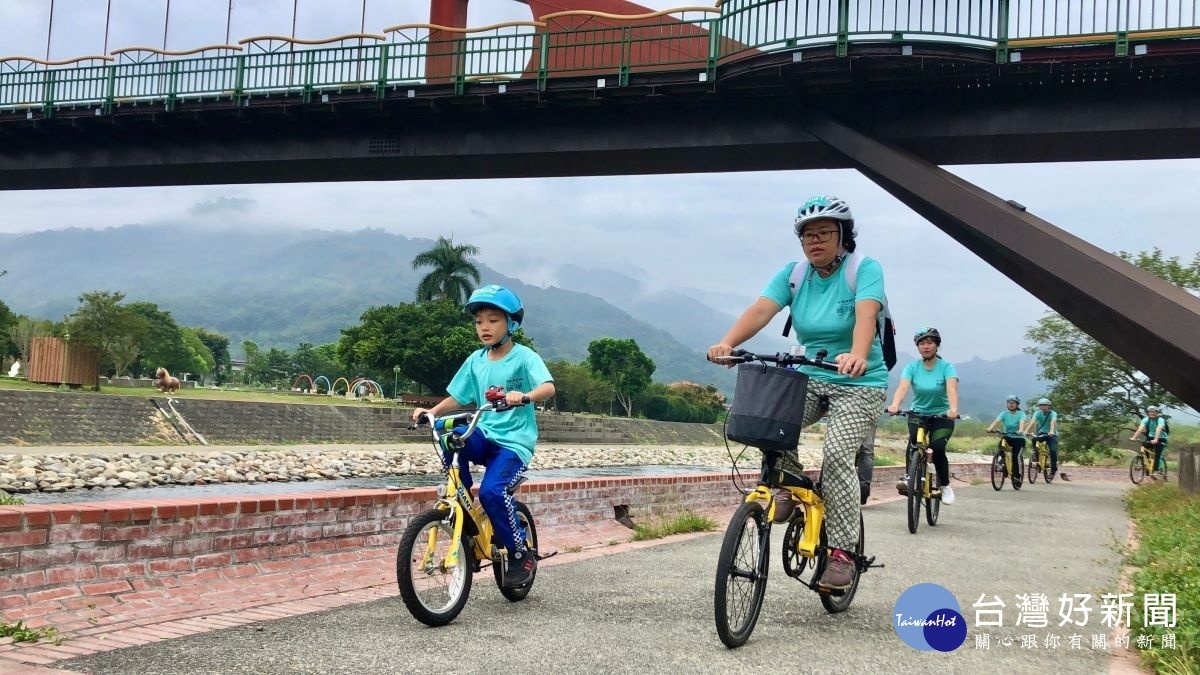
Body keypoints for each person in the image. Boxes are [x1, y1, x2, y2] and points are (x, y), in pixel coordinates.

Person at [708, 194, 889, 591]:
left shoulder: (864, 270)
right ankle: (787, 487)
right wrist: (727, 343)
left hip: (860, 382)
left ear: (843, 236)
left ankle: (841, 553)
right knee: (768, 423)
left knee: (838, 456)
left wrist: (857, 355)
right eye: (807, 235)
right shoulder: (794, 274)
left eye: (824, 232)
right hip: (811, 375)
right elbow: (761, 309)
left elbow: (866, 315)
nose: (815, 241)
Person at [411, 284, 556, 588]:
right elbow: (456, 396)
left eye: (493, 320)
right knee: (450, 434)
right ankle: (460, 499)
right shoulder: (475, 360)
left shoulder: (524, 357)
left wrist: (525, 396)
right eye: (479, 322)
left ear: (511, 323)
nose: (484, 327)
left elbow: (548, 387)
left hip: (513, 445)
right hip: (484, 434)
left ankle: (519, 554)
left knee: (492, 492)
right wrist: (431, 412)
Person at [886, 327, 960, 505]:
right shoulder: (912, 367)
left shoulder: (947, 367)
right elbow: (903, 387)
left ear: (937, 345)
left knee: (938, 447)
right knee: (913, 441)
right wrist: (895, 405)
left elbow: (951, 389)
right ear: (917, 347)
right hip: (918, 413)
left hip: (942, 416)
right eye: (922, 343)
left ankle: (945, 486)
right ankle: (908, 476)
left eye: (930, 342)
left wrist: (953, 409)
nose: (926, 346)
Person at [985, 395, 1027, 484]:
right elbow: (997, 421)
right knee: (1001, 445)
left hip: (1019, 439)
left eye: (1013, 403)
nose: (1011, 405)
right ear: (1007, 404)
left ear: (1017, 404)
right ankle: (1001, 462)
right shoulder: (1004, 413)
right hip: (1007, 436)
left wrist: (1020, 430)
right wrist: (990, 428)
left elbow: (1022, 423)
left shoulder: (1021, 414)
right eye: (1009, 403)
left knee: (1016, 456)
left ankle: (1017, 476)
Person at [1024, 397, 1062, 480]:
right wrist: (1026, 431)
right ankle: (1036, 454)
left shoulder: (1053, 413)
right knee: (1034, 439)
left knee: (1052, 451)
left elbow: (1053, 421)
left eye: (1045, 405)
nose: (1043, 407)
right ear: (1039, 406)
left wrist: (1051, 431)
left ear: (1049, 406)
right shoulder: (1037, 413)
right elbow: (1032, 422)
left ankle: (1052, 471)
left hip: (1052, 434)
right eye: (1041, 405)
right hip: (1042, 432)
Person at [1129, 405, 1170, 479]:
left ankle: (1156, 470)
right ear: (1148, 413)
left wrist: (1156, 439)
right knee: (1145, 447)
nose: (1152, 413)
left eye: (1154, 412)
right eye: (1150, 412)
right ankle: (1148, 465)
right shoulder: (1145, 419)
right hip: (1150, 437)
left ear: (1157, 413)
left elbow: (1159, 428)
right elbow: (1140, 428)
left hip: (1161, 438)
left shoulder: (1160, 420)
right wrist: (1134, 437)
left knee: (1157, 453)